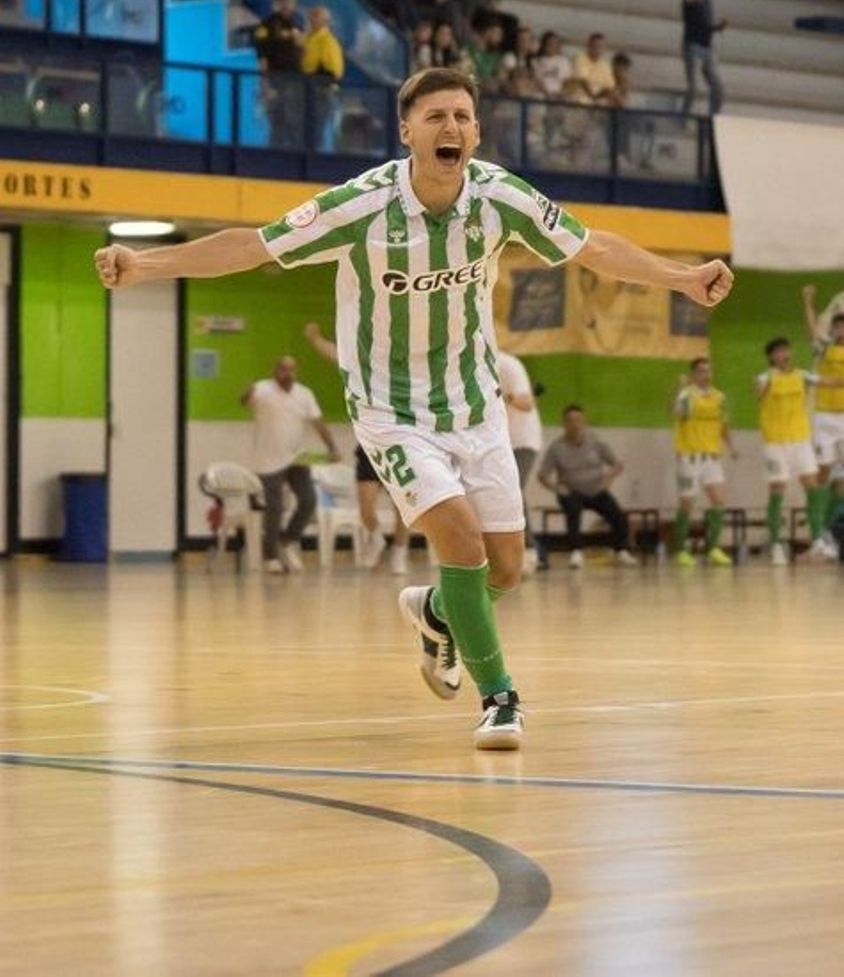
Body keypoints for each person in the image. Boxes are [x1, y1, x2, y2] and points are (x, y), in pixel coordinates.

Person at [95, 64, 733, 751]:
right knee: (458, 539)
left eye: (461, 116)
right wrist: (148, 263)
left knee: (506, 569)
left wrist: (682, 277)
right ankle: (501, 700)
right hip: (390, 409)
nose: (450, 128)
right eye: (435, 118)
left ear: (478, 131)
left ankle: (435, 610)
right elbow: (253, 246)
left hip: (474, 404)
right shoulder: (360, 205)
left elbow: (592, 245)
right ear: (407, 133)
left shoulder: (500, 198)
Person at [305, 320, 399, 570]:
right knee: (365, 505)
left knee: (404, 507)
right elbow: (338, 355)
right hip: (369, 447)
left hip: (401, 446)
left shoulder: (406, 371)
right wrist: (316, 340)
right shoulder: (363, 369)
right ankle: (377, 538)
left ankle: (399, 552)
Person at [241, 355, 338, 573]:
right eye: (283, 368)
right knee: (274, 507)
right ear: (275, 370)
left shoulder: (304, 394)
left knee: (309, 500)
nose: (287, 373)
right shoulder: (262, 389)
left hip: (296, 457)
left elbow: (318, 423)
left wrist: (332, 447)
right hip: (268, 460)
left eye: (291, 369)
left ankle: (288, 538)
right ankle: (270, 556)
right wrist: (246, 393)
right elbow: (246, 401)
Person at [755, 336, 833, 564]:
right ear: (771, 356)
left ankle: (817, 540)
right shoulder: (764, 377)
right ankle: (776, 543)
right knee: (778, 488)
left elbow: (826, 382)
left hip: (800, 440)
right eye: (778, 351)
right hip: (776, 442)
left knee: (813, 485)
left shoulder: (801, 375)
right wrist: (768, 383)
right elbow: (758, 394)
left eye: (785, 350)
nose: (783, 354)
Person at [802, 285, 844, 540]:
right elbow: (811, 329)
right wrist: (808, 302)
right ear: (832, 330)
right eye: (838, 327)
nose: (842, 331)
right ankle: (817, 530)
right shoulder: (825, 347)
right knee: (824, 472)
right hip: (826, 416)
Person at [537, 405, 638, 568]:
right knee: (572, 508)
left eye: (578, 420)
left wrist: (608, 478)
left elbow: (617, 464)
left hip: (597, 490)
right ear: (564, 424)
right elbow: (542, 475)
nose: (574, 424)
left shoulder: (596, 442)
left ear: (584, 422)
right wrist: (556, 488)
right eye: (570, 421)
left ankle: (622, 551)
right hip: (572, 491)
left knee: (618, 515)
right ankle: (576, 552)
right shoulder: (556, 447)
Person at [673, 356, 735, 566]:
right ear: (693, 374)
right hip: (689, 456)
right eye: (701, 371)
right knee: (687, 503)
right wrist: (679, 390)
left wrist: (731, 446)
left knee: (718, 501)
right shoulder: (686, 394)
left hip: (711, 457)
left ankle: (713, 548)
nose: (706, 375)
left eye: (708, 371)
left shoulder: (719, 397)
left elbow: (723, 425)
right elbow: (677, 414)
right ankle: (680, 550)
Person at [495, 348, 546, 572]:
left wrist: (504, 396)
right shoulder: (471, 363)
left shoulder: (507, 364)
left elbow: (526, 402)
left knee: (513, 490)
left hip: (523, 440)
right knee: (497, 494)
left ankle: (530, 552)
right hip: (499, 441)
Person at [253, 0, 304, 147]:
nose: (287, 5)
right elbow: (262, 57)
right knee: (278, 120)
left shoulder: (297, 23)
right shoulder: (267, 26)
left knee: (296, 123)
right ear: (276, 3)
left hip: (296, 81)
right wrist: (265, 84)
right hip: (277, 79)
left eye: (290, 2)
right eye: (283, 2)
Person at [682, 0, 726, 115]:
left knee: (718, 86)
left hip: (707, 46)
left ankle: (713, 117)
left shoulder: (707, 1)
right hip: (693, 45)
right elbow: (689, 0)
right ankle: (684, 115)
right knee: (694, 87)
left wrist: (717, 27)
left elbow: (705, 25)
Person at [301, 4, 345, 151]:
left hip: (320, 91)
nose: (312, 21)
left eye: (316, 18)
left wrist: (317, 83)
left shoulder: (327, 41)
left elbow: (332, 71)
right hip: (306, 90)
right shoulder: (308, 38)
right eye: (311, 17)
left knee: (317, 127)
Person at [571, 33, 616, 102]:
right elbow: (583, 81)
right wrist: (593, 98)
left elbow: (609, 87)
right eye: (595, 45)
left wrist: (597, 98)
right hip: (579, 101)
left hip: (597, 103)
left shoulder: (605, 65)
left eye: (600, 46)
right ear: (589, 45)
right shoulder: (580, 58)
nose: (597, 48)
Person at [531, 30, 573, 99]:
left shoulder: (564, 61)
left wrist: (560, 94)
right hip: (543, 95)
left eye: (554, 43)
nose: (552, 46)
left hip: (559, 95)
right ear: (544, 45)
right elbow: (537, 80)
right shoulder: (535, 61)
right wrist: (547, 94)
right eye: (549, 43)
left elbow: (567, 82)